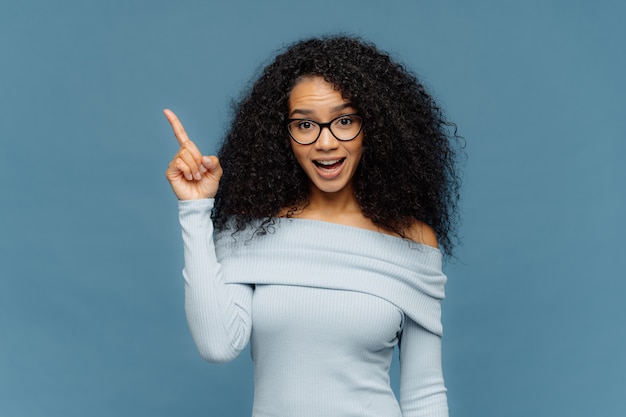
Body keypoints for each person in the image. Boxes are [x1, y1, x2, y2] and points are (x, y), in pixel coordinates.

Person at [164, 35, 462, 417]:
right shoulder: (252, 230)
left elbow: (424, 393)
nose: (325, 142)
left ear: (374, 127)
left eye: (344, 121)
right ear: (282, 136)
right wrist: (195, 208)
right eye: (305, 124)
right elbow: (217, 345)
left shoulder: (412, 240)